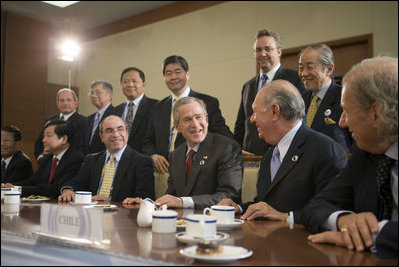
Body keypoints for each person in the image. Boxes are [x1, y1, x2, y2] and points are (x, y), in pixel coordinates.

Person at [302, 56, 398, 259]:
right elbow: (315, 207)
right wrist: (342, 220)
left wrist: (372, 234)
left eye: (346, 111)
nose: (342, 123)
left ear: (376, 112)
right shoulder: (364, 154)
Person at [219, 80, 347, 224]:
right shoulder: (269, 156)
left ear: (275, 111)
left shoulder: (325, 150)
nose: (252, 120)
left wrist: (287, 217)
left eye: (255, 112)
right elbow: (266, 205)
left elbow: (334, 212)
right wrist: (239, 208)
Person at [126, 97, 242, 209]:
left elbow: (229, 196)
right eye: (187, 119)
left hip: (214, 222)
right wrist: (148, 204)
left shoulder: (227, 148)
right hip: (181, 223)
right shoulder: (175, 155)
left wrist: (183, 202)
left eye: (198, 117)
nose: (195, 124)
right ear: (177, 127)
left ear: (206, 120)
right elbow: (171, 196)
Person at [142, 55, 233, 174]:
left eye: (177, 72)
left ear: (187, 74)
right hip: (163, 171)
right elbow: (147, 141)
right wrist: (153, 155)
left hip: (194, 168)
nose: (173, 77)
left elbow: (221, 132)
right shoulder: (157, 107)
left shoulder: (207, 102)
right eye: (168, 73)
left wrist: (234, 147)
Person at [234, 29, 305, 156]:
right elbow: (241, 124)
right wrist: (238, 150)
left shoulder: (295, 78)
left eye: (268, 49)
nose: (263, 53)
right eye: (258, 50)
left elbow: (301, 118)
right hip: (251, 156)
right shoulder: (248, 86)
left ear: (279, 52)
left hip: (282, 154)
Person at [58, 115, 155, 203]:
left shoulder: (142, 162)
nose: (115, 134)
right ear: (101, 137)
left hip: (122, 217)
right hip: (92, 215)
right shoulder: (91, 160)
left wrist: (110, 201)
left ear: (127, 132)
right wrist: (68, 190)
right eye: (109, 131)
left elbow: (146, 199)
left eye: (120, 129)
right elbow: (76, 183)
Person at [4, 120, 84, 198]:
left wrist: (18, 189)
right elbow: (32, 181)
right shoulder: (47, 158)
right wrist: (10, 186)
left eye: (48, 136)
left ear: (64, 139)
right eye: (44, 136)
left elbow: (55, 189)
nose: (43, 140)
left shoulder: (76, 159)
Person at [299, 44, 353, 153]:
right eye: (301, 68)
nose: (303, 73)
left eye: (309, 67)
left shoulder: (346, 97)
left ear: (329, 69)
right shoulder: (299, 101)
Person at [34, 88, 86, 162]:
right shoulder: (49, 120)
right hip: (47, 164)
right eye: (62, 100)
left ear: (76, 103)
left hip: (70, 164)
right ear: (57, 103)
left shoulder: (84, 121)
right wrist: (40, 158)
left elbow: (80, 146)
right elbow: (39, 142)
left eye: (69, 100)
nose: (65, 103)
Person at [114, 67, 157, 153]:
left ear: (143, 85)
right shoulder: (115, 111)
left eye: (134, 81)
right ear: (121, 85)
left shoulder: (156, 106)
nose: (130, 85)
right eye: (125, 82)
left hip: (145, 160)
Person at [80, 80, 116, 155]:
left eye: (98, 92)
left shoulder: (116, 115)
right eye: (92, 93)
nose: (94, 95)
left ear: (109, 95)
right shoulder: (89, 119)